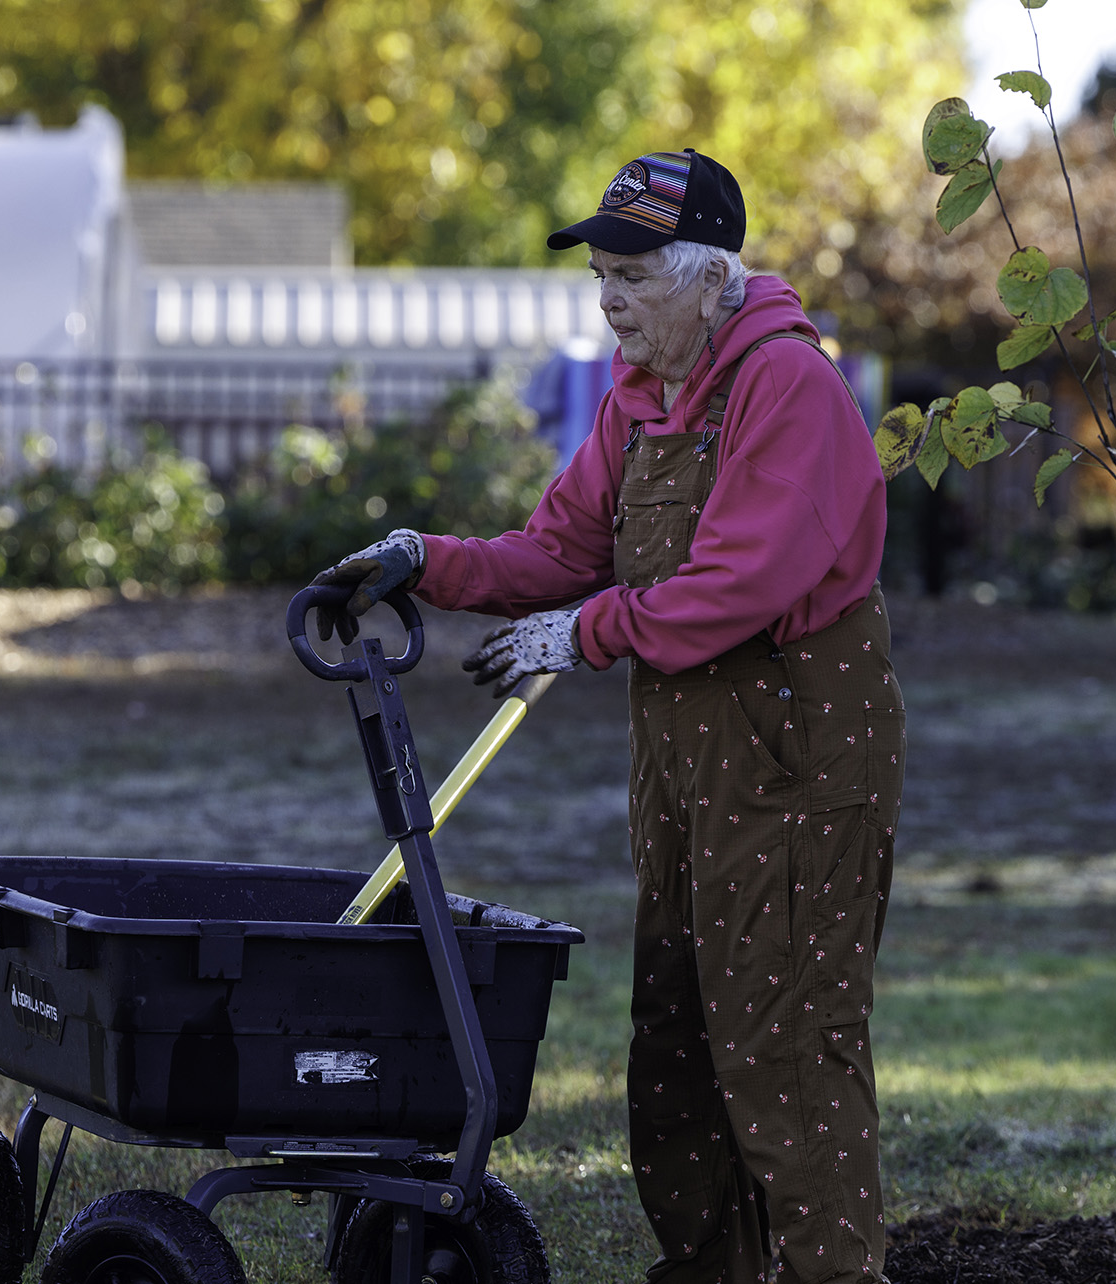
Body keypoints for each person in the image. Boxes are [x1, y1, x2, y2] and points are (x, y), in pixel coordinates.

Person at [313, 149, 903, 1284]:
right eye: (603, 273)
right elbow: (557, 549)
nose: (608, 298)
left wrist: (580, 634)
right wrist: (418, 558)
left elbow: (741, 583)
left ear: (710, 277)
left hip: (794, 758)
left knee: (783, 1047)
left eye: (631, 273)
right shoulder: (641, 400)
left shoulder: (788, 386)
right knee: (677, 1048)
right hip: (685, 759)